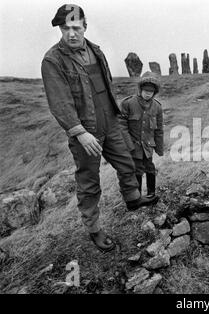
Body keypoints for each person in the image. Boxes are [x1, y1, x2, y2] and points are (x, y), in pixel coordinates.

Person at [41, 4, 156, 253]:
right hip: (85, 132)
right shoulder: (53, 60)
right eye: (65, 28)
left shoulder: (96, 51)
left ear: (85, 26)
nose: (71, 33)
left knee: (127, 162)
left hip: (110, 122)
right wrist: (80, 133)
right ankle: (94, 229)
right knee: (89, 182)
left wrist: (116, 118)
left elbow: (106, 86)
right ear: (60, 29)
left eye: (75, 27)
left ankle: (133, 199)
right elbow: (60, 102)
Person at [118, 72, 164, 201]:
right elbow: (121, 126)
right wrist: (129, 145)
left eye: (151, 91)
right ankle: (137, 198)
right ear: (140, 89)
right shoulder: (128, 103)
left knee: (150, 168)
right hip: (134, 147)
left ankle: (151, 194)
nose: (148, 93)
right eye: (145, 90)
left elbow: (159, 129)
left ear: (155, 92)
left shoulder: (157, 107)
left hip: (148, 147)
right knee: (136, 171)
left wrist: (159, 149)